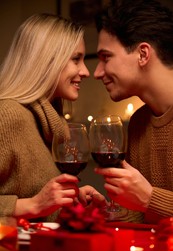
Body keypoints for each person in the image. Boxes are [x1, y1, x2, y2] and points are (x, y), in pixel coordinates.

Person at [0, 13, 107, 222]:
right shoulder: (9, 115)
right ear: (46, 60)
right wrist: (31, 205)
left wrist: (70, 201)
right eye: (76, 59)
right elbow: (35, 204)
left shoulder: (52, 123)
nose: (85, 71)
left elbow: (40, 200)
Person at [93, 0, 173, 224]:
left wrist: (150, 198)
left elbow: (146, 200)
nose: (97, 72)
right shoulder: (138, 123)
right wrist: (102, 213)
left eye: (106, 57)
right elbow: (137, 217)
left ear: (143, 54)